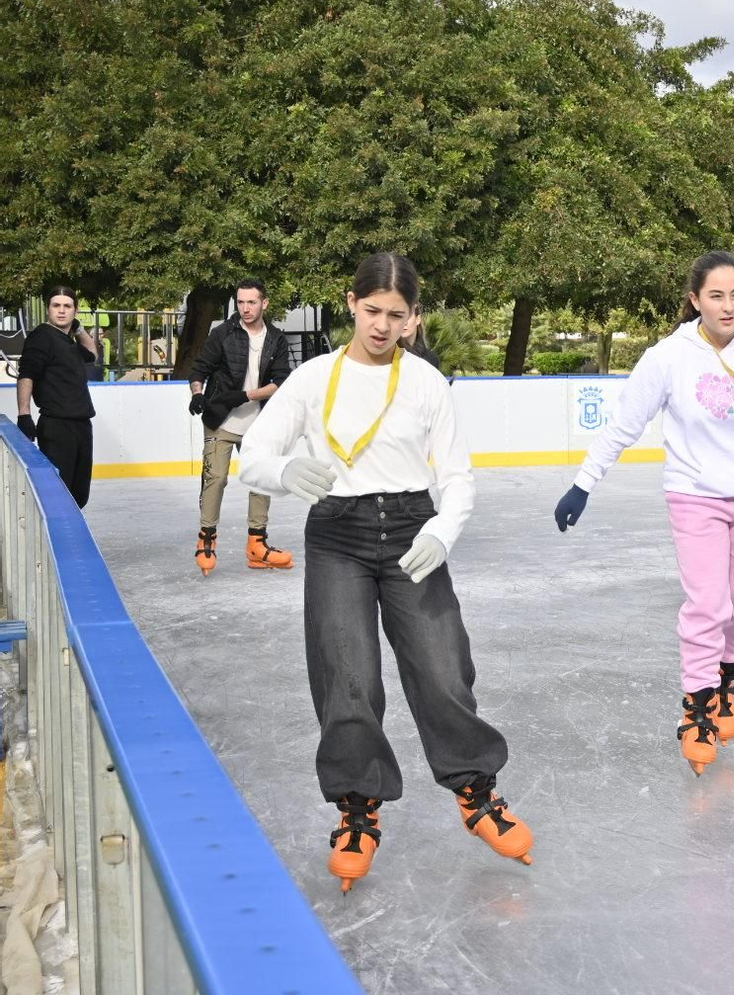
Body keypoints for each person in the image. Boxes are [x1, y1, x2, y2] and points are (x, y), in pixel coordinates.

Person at [239, 252, 532, 893]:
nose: (381, 325)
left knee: (441, 665)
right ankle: (357, 807)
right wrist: (285, 472)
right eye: (372, 310)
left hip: (410, 532)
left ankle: (476, 790)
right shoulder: (315, 378)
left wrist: (440, 530)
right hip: (338, 536)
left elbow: (456, 475)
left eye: (396, 315)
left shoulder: (425, 382)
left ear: (413, 318)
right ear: (351, 303)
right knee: (346, 675)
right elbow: (253, 455)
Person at [552, 251, 734, 775]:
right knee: (708, 605)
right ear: (695, 300)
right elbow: (623, 425)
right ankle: (696, 709)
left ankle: (725, 683)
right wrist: (582, 484)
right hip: (694, 495)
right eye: (716, 296)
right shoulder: (667, 357)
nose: (728, 306)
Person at [187, 279, 295, 575]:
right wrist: (197, 393)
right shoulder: (222, 334)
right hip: (221, 419)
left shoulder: (276, 339)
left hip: (258, 425)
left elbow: (282, 382)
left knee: (261, 480)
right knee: (216, 478)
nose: (245, 308)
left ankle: (257, 545)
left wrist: (246, 396)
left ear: (264, 304)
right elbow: (199, 371)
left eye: (251, 302)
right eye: (241, 302)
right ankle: (206, 539)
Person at [15, 286, 98, 507]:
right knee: (60, 495)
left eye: (67, 306)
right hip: (57, 426)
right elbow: (27, 374)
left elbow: (92, 355)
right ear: (48, 309)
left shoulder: (68, 340)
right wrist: (24, 414)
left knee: (79, 495)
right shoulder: (41, 337)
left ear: (75, 310)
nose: (61, 311)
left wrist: (79, 330)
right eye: (56, 305)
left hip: (81, 424)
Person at [399, 303, 442, 371]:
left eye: (408, 317)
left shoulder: (431, 359)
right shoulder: (385, 356)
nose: (404, 322)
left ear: (418, 319)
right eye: (399, 317)